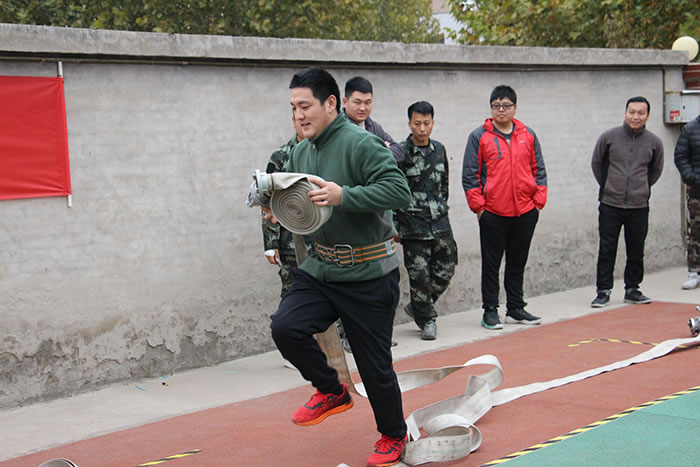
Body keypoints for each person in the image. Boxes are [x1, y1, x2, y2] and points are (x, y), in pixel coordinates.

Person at [267, 67, 411, 467]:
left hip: (368, 273)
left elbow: (399, 191)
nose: (298, 115)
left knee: (374, 366)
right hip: (321, 269)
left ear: (331, 103)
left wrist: (343, 195)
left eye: (305, 106)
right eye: (293, 107)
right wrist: (279, 208)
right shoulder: (300, 152)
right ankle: (332, 390)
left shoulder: (361, 143)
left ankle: (393, 435)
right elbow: (305, 207)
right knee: (286, 327)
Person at [462, 85, 547, 330]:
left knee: (517, 262)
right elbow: (470, 175)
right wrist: (480, 209)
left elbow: (539, 169)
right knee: (491, 264)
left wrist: (537, 203)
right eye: (496, 106)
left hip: (525, 211)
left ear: (515, 108)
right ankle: (490, 311)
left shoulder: (527, 135)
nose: (501, 110)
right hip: (493, 213)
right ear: (491, 108)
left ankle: (515, 308)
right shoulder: (479, 136)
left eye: (506, 105)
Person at [591, 96, 664, 307]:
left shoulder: (654, 143)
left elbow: (656, 170)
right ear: (625, 113)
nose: (635, 117)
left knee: (636, 249)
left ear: (648, 116)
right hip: (610, 204)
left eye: (641, 113)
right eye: (632, 112)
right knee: (607, 248)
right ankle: (603, 291)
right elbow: (597, 164)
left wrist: (641, 188)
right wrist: (609, 186)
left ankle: (632, 289)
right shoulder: (609, 137)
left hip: (639, 206)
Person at [394, 101, 457, 341]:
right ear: (409, 123)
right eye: (417, 123)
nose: (422, 128)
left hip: (440, 223)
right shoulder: (400, 153)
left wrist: (442, 209)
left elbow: (444, 185)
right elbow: (392, 190)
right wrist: (394, 226)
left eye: (426, 123)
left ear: (433, 123)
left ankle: (419, 306)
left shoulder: (439, 149)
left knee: (447, 267)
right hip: (413, 226)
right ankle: (427, 320)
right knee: (419, 277)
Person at [261, 115, 307, 298]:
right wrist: (271, 243)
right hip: (290, 242)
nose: (305, 125)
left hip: (322, 242)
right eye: (300, 121)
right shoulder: (281, 157)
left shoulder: (325, 154)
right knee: (292, 293)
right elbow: (268, 200)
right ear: (293, 121)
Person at [342, 76, 404, 163]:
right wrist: (380, 150)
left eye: (367, 102)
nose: (363, 108)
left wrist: (379, 152)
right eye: (357, 102)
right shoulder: (339, 127)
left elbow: (399, 152)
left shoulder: (374, 127)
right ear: (345, 102)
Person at [673, 112, 700, 289]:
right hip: (698, 192)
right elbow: (680, 156)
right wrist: (691, 177)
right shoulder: (690, 129)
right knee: (697, 233)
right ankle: (694, 272)